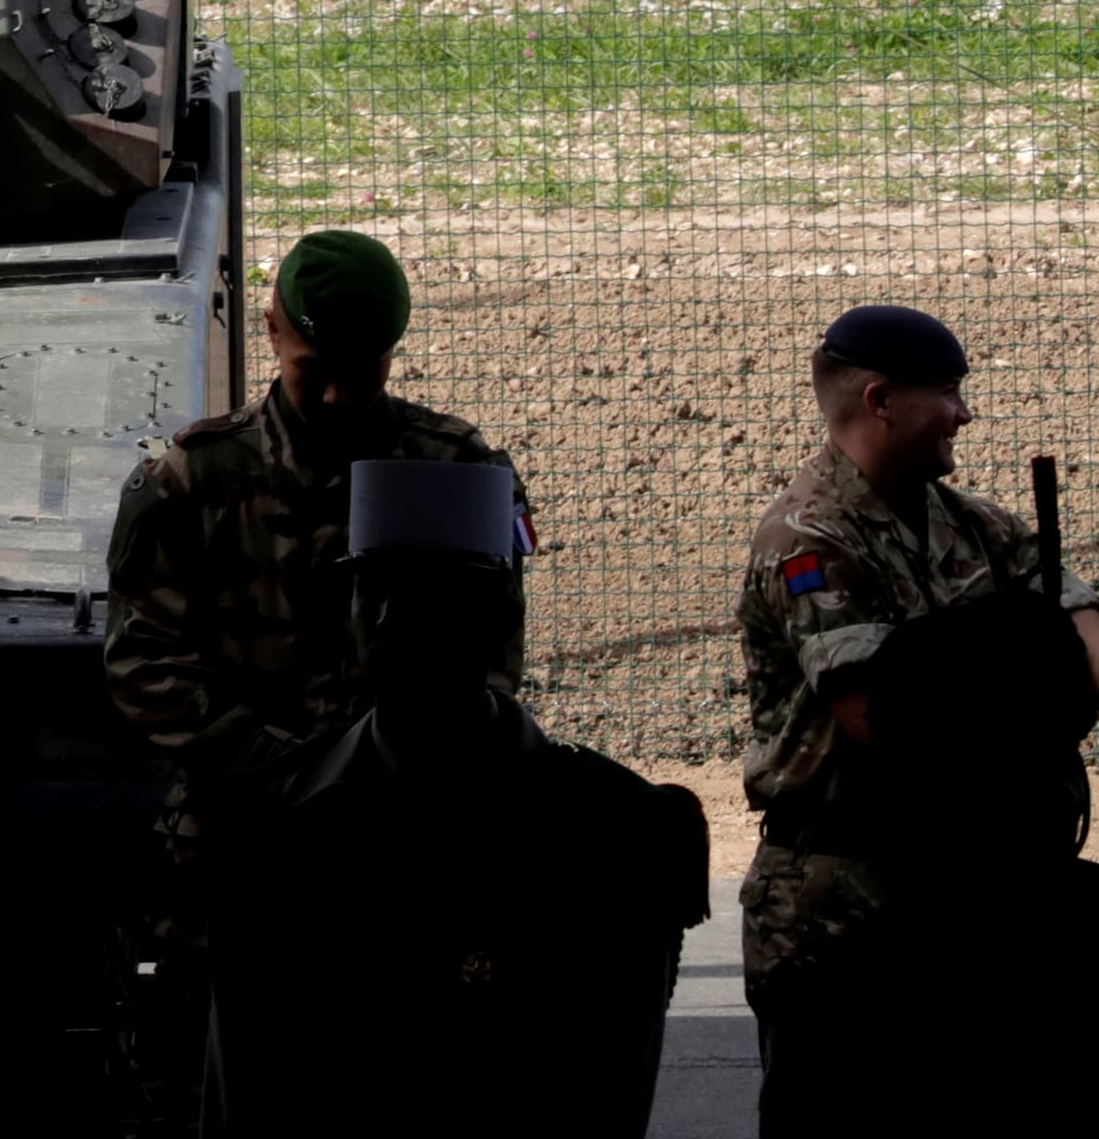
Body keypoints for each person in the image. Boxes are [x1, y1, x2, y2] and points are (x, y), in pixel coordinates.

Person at [200, 460, 705, 1139]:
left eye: (422, 596)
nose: (383, 618)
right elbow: (246, 1100)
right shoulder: (281, 825)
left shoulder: (616, 831)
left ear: (494, 620)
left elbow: (607, 1093)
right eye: (367, 591)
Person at [739, 303, 1099, 1133]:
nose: (965, 413)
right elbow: (886, 721)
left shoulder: (973, 522)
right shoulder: (806, 539)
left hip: (959, 896)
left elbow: (1086, 634)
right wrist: (1032, 675)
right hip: (837, 908)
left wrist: (1004, 678)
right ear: (880, 400)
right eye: (948, 391)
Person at [106, 230, 522, 820]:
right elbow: (143, 660)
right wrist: (286, 771)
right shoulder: (194, 480)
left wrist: (407, 761)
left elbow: (492, 649)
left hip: (409, 822)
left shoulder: (454, 470)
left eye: (359, 373)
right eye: (314, 368)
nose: (334, 396)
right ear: (273, 329)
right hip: (247, 831)